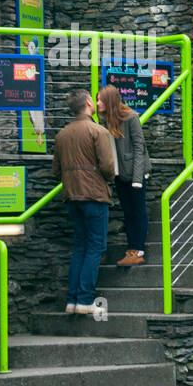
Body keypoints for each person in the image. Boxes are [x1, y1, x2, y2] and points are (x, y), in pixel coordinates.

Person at [51, 88, 115, 314]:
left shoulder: (62, 135)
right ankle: (86, 300)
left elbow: (55, 170)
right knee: (95, 247)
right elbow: (108, 167)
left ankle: (72, 300)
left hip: (71, 195)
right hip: (94, 195)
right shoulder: (98, 131)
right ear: (89, 102)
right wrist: (107, 179)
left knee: (80, 246)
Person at [97, 83, 151, 267]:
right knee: (128, 213)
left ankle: (138, 249)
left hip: (134, 174)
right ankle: (131, 249)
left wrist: (137, 179)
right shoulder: (104, 120)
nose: (97, 103)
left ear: (109, 101)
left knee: (138, 212)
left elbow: (139, 148)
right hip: (119, 175)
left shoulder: (130, 117)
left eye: (100, 100)